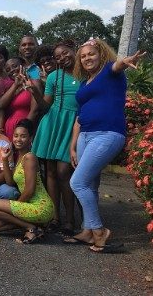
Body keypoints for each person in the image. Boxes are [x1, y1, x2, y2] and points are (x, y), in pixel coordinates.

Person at [65, 39, 145, 252]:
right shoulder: (85, 83)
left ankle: (99, 231)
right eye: (83, 56)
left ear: (101, 54)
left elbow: (118, 65)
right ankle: (87, 231)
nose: (87, 58)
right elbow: (79, 118)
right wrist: (73, 146)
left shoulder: (110, 71)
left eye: (91, 54)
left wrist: (125, 61)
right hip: (85, 135)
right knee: (89, 185)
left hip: (107, 134)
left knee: (78, 182)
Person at [28, 39, 80, 235]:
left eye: (65, 53)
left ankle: (70, 219)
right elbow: (45, 106)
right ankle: (54, 217)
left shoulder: (84, 74)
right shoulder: (53, 77)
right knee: (49, 171)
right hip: (52, 123)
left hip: (72, 125)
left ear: (73, 50)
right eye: (58, 56)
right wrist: (35, 92)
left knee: (63, 172)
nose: (62, 58)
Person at [0, 119, 54, 243]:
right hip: (28, 205)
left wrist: (16, 207)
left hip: (40, 206)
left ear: (30, 138)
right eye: (16, 136)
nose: (18, 139)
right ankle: (37, 227)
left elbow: (30, 190)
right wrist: (5, 160)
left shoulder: (30, 157)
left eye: (23, 136)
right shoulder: (20, 157)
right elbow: (10, 182)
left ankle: (30, 228)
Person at [0, 63, 40, 142]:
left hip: (26, 127)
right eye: (8, 70)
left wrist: (23, 128)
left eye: (15, 66)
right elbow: (1, 105)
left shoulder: (33, 82)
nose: (12, 70)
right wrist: (15, 85)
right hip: (10, 128)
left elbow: (35, 110)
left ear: (23, 66)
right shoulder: (11, 86)